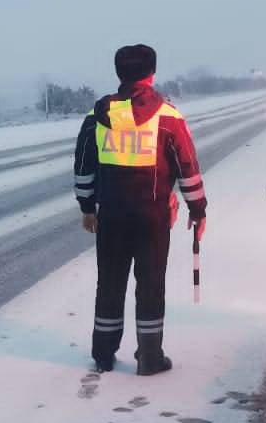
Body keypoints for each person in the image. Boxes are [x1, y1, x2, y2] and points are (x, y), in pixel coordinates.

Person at [73, 44, 207, 374]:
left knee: (110, 284)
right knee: (150, 285)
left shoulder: (97, 118)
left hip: (112, 218)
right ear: (152, 74)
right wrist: (198, 210)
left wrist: (88, 208)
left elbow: (83, 167)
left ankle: (103, 354)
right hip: (153, 218)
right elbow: (187, 168)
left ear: (119, 74)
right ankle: (149, 358)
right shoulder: (168, 118)